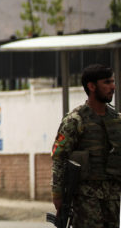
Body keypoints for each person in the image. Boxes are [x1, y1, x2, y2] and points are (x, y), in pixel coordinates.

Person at [51, 63, 121, 227]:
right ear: (91, 86)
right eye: (107, 82)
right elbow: (59, 158)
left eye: (112, 82)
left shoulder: (116, 120)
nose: (113, 87)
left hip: (113, 197)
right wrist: (58, 194)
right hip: (86, 198)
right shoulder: (75, 120)